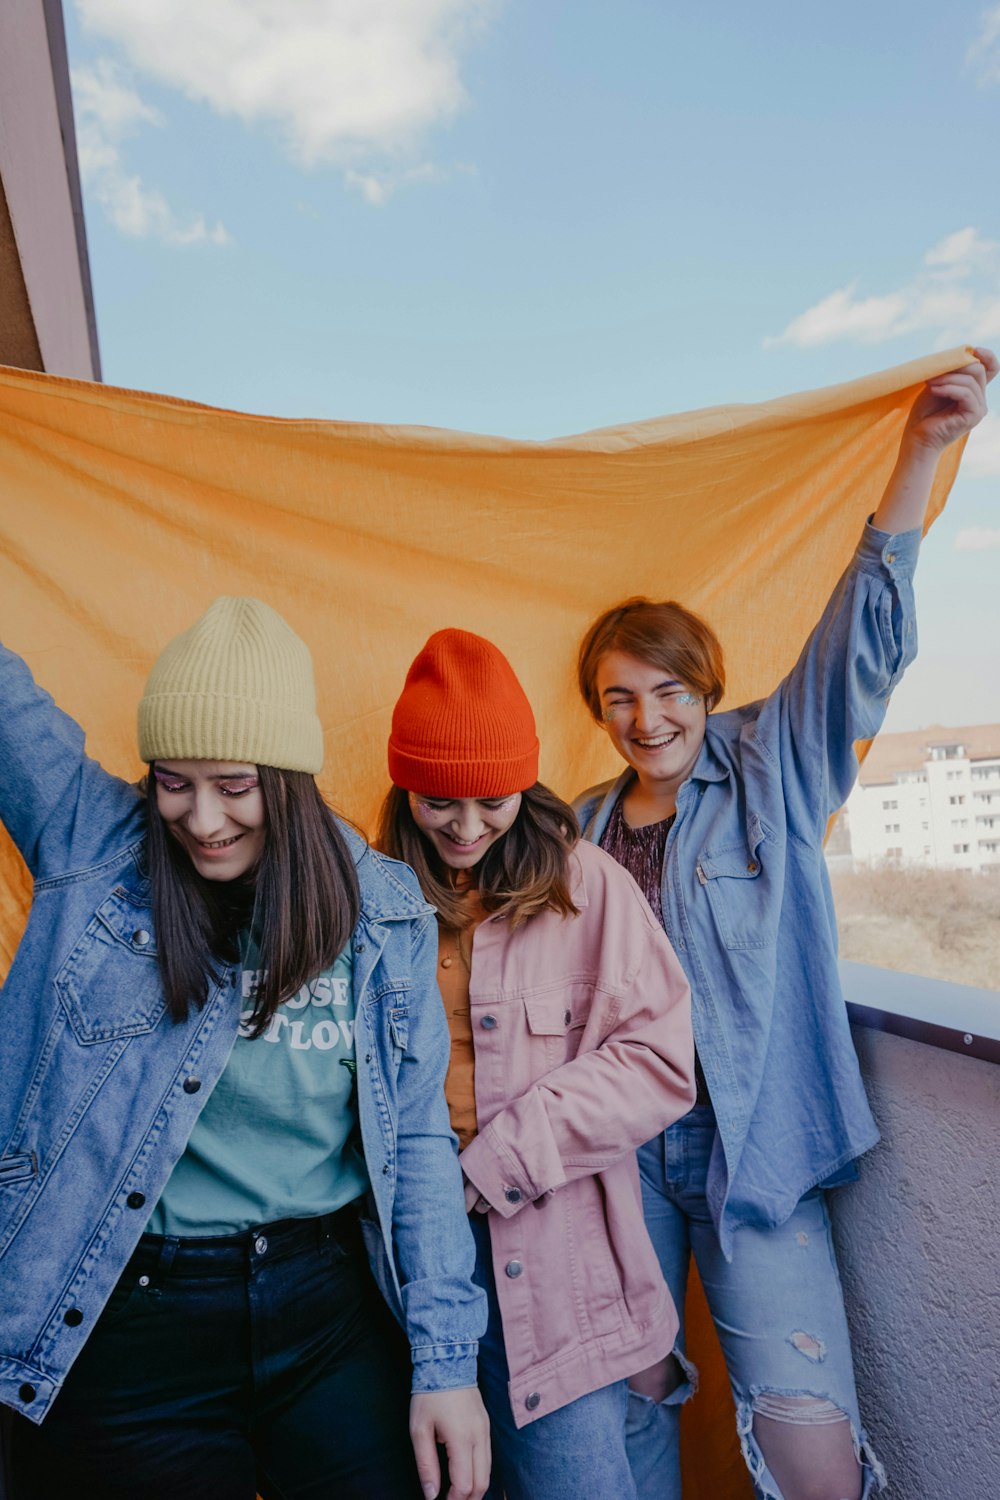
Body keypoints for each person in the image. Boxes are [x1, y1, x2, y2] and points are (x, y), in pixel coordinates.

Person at [572, 348, 997, 1500]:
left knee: (807, 1446)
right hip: (617, 1161)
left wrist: (920, 452)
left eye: (666, 691)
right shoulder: (579, 827)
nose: (644, 716)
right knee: (622, 1426)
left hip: (752, 1151)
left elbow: (861, 644)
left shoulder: (770, 763)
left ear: (705, 690)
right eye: (617, 696)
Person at [0, 596, 491, 1500]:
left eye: (234, 783)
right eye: (172, 780)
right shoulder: (94, 847)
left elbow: (420, 1148)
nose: (199, 816)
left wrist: (446, 1363)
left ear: (290, 778)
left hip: (325, 1308)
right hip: (129, 1318)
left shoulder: (382, 914)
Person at [377, 627, 696, 1500]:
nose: (468, 828)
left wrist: (505, 1158)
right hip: (402, 1263)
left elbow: (659, 1060)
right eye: (440, 801)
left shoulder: (587, 886)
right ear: (405, 785)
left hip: (558, 1273)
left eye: (494, 799)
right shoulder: (371, 899)